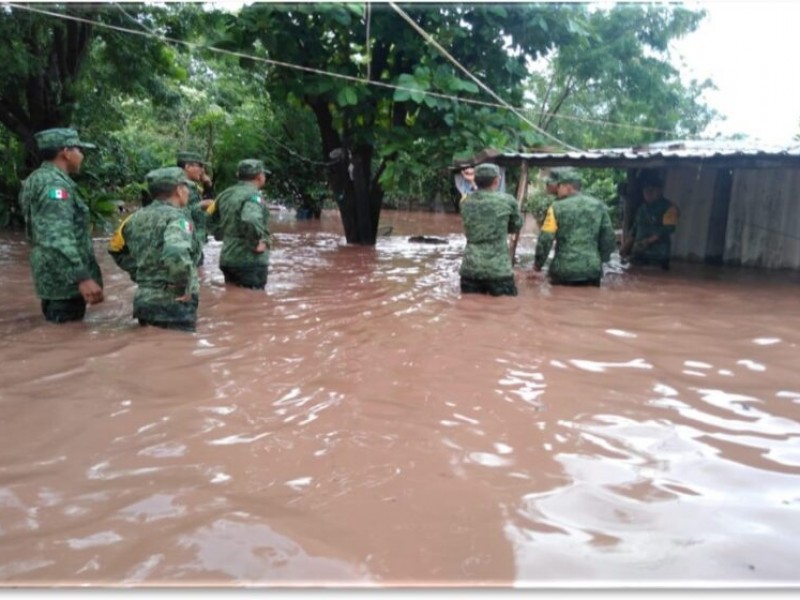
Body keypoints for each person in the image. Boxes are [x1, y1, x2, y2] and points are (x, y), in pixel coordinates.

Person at [18, 127, 104, 323]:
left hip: (51, 275)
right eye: (79, 150)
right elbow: (57, 234)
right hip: (65, 280)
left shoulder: (35, 179)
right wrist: (82, 277)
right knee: (70, 337)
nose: (81, 156)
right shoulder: (55, 186)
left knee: (61, 334)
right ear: (66, 152)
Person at [108, 167, 200, 332]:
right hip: (173, 302)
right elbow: (175, 252)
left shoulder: (133, 218)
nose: (188, 192)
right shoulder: (178, 218)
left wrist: (140, 273)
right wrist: (183, 284)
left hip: (144, 300)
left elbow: (115, 248)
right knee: (180, 352)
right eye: (186, 187)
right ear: (179, 190)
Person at [533, 167, 616, 287]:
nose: (557, 189)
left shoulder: (556, 207)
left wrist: (537, 266)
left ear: (568, 187)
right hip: (592, 271)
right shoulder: (599, 206)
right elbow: (609, 238)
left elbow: (545, 239)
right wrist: (600, 259)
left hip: (564, 270)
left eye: (559, 186)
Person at [458, 162, 523, 296]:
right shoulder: (508, 201)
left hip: (471, 269)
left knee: (470, 311)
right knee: (505, 311)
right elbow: (516, 226)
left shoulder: (465, 202)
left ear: (475, 179)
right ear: (496, 180)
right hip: (499, 270)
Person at [214, 159, 271, 290]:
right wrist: (256, 242)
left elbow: (209, 218)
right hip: (249, 260)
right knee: (255, 303)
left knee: (232, 300)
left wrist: (223, 236)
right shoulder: (254, 196)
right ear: (259, 176)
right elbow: (250, 218)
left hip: (227, 257)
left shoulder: (225, 194)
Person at [620, 171, 679, 270]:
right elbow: (634, 229)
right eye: (645, 190)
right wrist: (625, 247)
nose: (648, 193)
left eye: (652, 190)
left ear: (660, 191)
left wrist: (647, 242)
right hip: (639, 254)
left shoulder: (670, 208)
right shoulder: (642, 208)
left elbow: (668, 229)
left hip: (658, 255)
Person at [177, 151, 213, 266]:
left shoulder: (192, 186)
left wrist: (207, 185)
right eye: (200, 166)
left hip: (195, 240)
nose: (203, 170)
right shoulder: (179, 186)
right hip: (184, 242)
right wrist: (201, 205)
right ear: (187, 166)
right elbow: (176, 213)